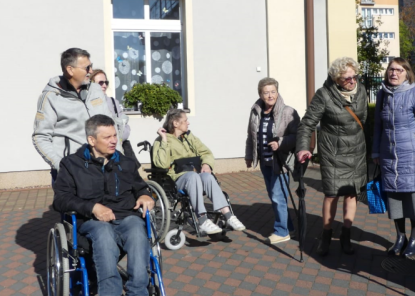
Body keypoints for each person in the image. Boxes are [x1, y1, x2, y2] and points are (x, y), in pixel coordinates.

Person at [53, 115, 160, 296]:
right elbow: (61, 200)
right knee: (104, 234)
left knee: (138, 230)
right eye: (107, 137)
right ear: (92, 140)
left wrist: (145, 194)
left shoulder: (125, 162)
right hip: (92, 221)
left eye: (114, 135)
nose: (113, 141)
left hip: (126, 217)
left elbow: (139, 185)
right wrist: (92, 207)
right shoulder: (71, 164)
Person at [296, 57, 367, 256]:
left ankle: (346, 234)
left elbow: (363, 120)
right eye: (347, 79)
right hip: (333, 153)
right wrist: (303, 148)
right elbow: (307, 123)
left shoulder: (361, 90)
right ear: (336, 79)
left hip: (357, 151)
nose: (352, 81)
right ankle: (326, 235)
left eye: (354, 77)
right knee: (332, 194)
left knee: (352, 193)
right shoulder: (324, 95)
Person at [372, 58, 415, 258]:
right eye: (391, 69)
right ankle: (400, 237)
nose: (394, 73)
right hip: (389, 157)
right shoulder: (382, 95)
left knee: (414, 198)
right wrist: (375, 152)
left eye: (399, 70)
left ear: (407, 73)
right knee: (395, 199)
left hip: (413, 157)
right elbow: (377, 127)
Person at [152, 109, 245, 235]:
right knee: (193, 176)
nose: (188, 123)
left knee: (207, 176)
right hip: (177, 180)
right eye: (185, 120)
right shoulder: (161, 140)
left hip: (195, 175)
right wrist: (164, 140)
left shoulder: (189, 137)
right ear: (176, 123)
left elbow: (206, 152)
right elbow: (161, 164)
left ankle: (229, 216)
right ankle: (202, 219)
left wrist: (206, 164)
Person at [34, 48, 117, 182]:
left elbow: (111, 126)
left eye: (91, 66)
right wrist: (61, 165)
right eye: (87, 67)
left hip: (105, 166)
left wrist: (118, 158)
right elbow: (40, 136)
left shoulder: (95, 90)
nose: (91, 71)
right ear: (70, 70)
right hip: (73, 172)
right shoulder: (51, 97)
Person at [245, 77, 300, 244]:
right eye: (266, 92)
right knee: (275, 196)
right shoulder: (256, 111)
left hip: (280, 161)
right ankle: (289, 228)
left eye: (273, 92)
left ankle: (281, 231)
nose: (270, 95)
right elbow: (251, 136)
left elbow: (297, 136)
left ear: (277, 92)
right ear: (260, 94)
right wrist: (249, 155)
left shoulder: (288, 112)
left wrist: (281, 142)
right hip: (265, 162)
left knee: (278, 196)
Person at [90, 69, 141, 166]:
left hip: (116, 149)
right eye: (101, 83)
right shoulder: (89, 103)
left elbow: (124, 123)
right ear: (92, 84)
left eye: (106, 82)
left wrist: (118, 137)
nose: (104, 85)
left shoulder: (113, 102)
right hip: (98, 151)